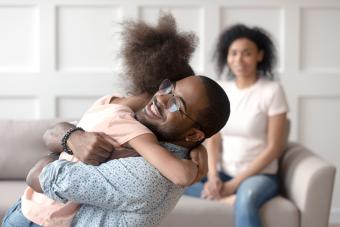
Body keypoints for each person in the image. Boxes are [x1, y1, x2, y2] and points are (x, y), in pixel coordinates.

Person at [2, 14, 231, 227]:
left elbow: (43, 175)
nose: (160, 98)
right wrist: (73, 137)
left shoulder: (145, 171)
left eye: (176, 104)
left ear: (193, 135)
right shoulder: (127, 117)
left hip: (34, 219)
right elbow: (53, 134)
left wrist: (62, 150)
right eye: (167, 87)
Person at [184, 24, 289, 227]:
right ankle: (225, 199)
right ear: (227, 57)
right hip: (223, 172)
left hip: (260, 175)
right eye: (234, 53)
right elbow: (214, 138)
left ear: (260, 55)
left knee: (247, 198)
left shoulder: (273, 91)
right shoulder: (223, 89)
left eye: (247, 53)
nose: (239, 59)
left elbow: (274, 147)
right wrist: (213, 176)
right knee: (178, 181)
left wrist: (235, 184)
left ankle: (235, 197)